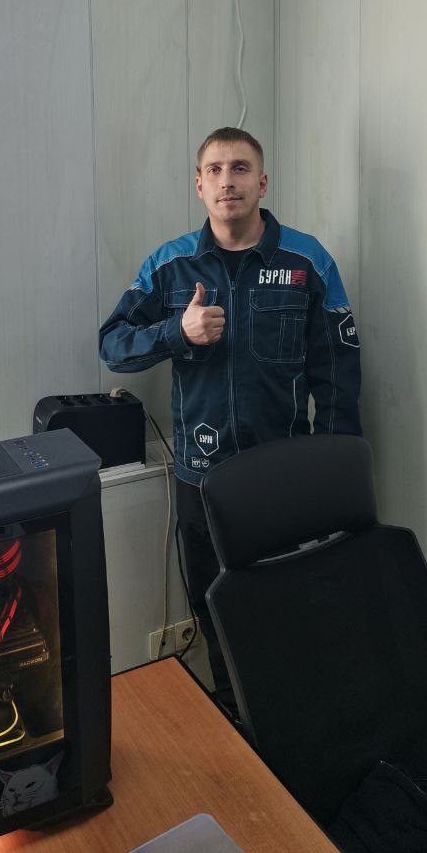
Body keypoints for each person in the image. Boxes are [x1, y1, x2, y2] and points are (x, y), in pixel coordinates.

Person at [98, 127, 361, 716]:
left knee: (287, 608)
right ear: (199, 186)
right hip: (202, 480)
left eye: (240, 168)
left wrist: (335, 477)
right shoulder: (171, 266)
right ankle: (235, 721)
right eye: (214, 170)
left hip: (282, 478)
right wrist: (177, 332)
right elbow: (112, 345)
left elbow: (338, 376)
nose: (227, 181)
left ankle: (294, 724)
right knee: (215, 608)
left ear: (262, 182)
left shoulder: (307, 262)